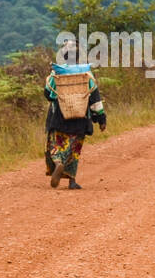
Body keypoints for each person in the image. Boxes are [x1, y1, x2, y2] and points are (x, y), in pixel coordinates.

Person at [43, 41, 107, 190]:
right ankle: (72, 181)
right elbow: (94, 98)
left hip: (59, 116)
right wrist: (101, 119)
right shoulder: (86, 73)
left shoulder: (57, 72)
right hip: (81, 117)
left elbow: (48, 94)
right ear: (79, 56)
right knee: (74, 148)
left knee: (56, 144)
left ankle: (58, 163)